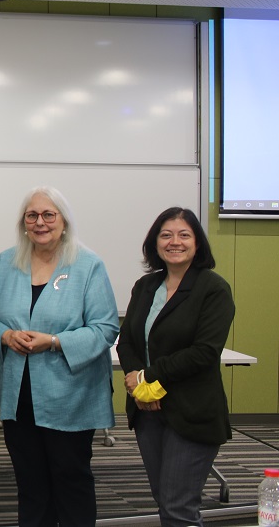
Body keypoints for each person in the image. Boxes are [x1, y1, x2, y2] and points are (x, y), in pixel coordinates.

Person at [0, 186, 119, 527]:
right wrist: (5, 335)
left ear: (64, 221)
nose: (40, 222)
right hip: (19, 396)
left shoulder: (88, 265)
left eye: (48, 215)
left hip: (70, 396)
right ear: (23, 223)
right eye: (32, 215)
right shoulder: (7, 262)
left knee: (70, 481)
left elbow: (105, 328)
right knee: (30, 485)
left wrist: (55, 342)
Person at [117, 207, 235, 527]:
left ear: (197, 243)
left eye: (184, 235)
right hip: (148, 409)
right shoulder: (146, 286)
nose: (175, 242)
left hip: (191, 410)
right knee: (165, 500)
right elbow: (127, 342)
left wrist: (147, 378)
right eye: (166, 235)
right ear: (155, 242)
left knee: (178, 507)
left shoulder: (213, 289)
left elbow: (204, 353)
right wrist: (139, 386)